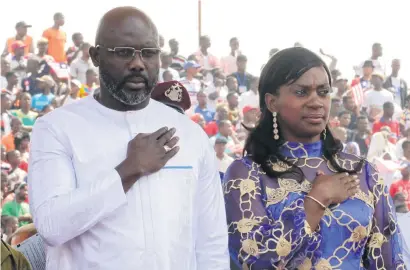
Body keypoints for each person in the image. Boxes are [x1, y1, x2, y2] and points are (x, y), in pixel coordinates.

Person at [28, 7, 228, 270]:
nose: (137, 63)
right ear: (96, 56)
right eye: (123, 52)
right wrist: (128, 171)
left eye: (148, 53)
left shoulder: (190, 135)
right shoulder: (56, 129)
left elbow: (210, 244)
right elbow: (52, 226)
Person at [223, 47, 406, 269]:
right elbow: (254, 262)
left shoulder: (362, 171)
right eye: (301, 92)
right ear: (272, 102)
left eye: (323, 91)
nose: (316, 102)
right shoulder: (246, 173)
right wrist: (316, 201)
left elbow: (386, 261)